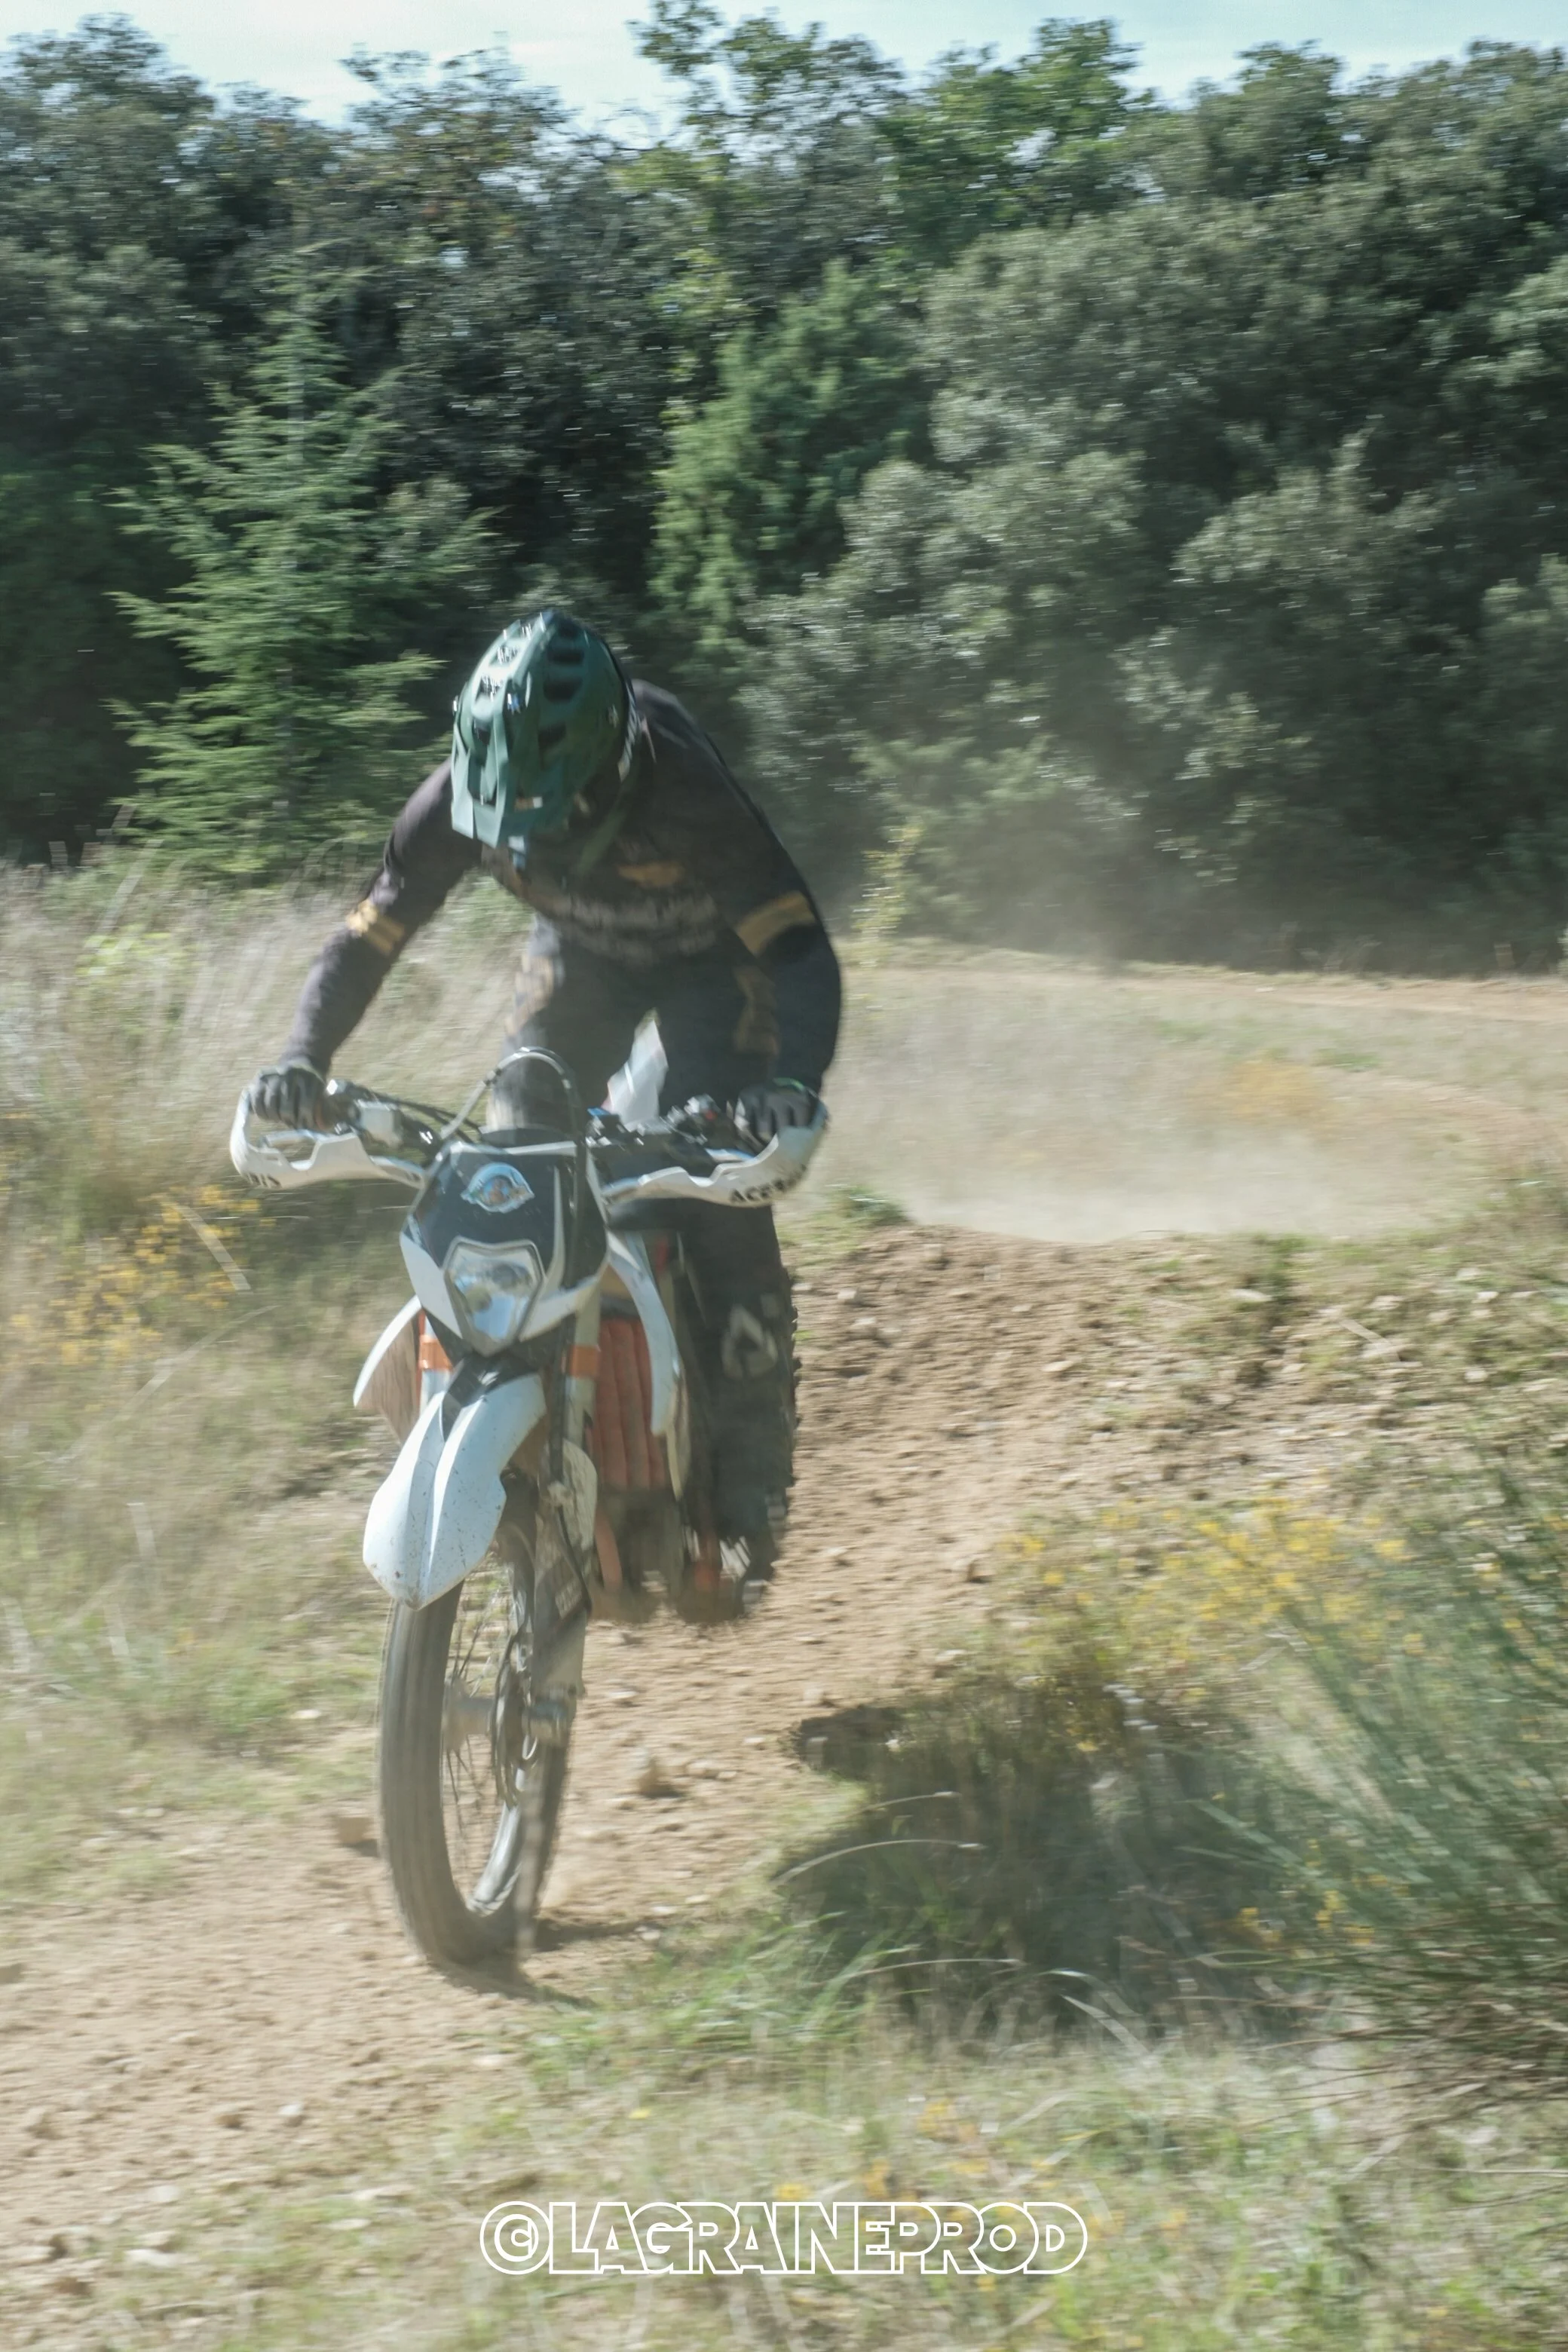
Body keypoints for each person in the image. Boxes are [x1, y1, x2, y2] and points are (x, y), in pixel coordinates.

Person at [250, 608, 840, 1558]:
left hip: (712, 967)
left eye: (546, 815)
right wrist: (300, 1059)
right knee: (517, 1137)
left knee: (721, 1188)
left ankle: (753, 1466)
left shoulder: (686, 789)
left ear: (610, 770)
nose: (522, 844)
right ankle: (520, 1392)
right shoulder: (453, 799)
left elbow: (799, 949)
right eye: (502, 823)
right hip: (582, 962)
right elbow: (371, 936)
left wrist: (791, 1086)